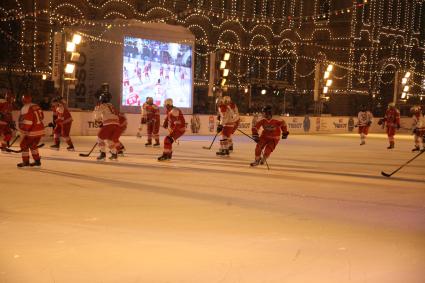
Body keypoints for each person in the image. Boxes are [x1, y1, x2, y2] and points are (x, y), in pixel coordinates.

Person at [17, 92, 45, 167]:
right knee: (33, 145)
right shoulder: (36, 106)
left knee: (23, 145)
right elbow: (42, 117)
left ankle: (26, 162)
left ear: (23, 100)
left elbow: (27, 122)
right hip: (40, 130)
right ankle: (37, 161)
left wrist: (22, 131)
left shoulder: (25, 108)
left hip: (32, 132)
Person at [93, 92, 121, 161]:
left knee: (100, 138)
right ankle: (114, 154)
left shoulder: (102, 106)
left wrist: (99, 122)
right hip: (116, 125)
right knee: (109, 140)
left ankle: (102, 154)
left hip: (109, 124)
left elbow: (97, 116)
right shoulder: (112, 105)